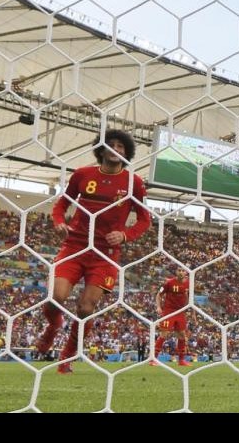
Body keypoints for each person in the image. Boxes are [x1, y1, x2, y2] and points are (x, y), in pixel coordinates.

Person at [38, 130, 151, 374]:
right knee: (56, 297)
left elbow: (144, 220)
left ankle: (67, 356)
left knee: (86, 308)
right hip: (75, 245)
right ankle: (54, 324)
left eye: (121, 146)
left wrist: (125, 235)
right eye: (111, 145)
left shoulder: (135, 183)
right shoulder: (82, 175)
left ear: (126, 152)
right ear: (100, 149)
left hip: (106, 253)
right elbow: (62, 204)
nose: (116, 149)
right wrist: (59, 220)